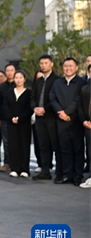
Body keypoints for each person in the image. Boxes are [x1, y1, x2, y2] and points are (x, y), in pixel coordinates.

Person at [49, 57, 86, 185]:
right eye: (65, 66)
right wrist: (60, 112)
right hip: (61, 120)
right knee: (64, 148)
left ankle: (78, 175)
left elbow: (79, 99)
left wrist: (67, 112)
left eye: (71, 66)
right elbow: (52, 98)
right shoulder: (58, 83)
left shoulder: (82, 82)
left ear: (76, 68)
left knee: (78, 148)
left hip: (76, 120)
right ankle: (67, 174)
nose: (68, 68)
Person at [31, 55, 60, 181]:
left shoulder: (57, 80)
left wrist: (45, 109)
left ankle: (60, 171)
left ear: (51, 64)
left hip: (52, 117)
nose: (43, 65)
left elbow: (56, 99)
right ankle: (45, 170)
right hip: (39, 118)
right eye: (41, 63)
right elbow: (32, 97)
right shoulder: (38, 81)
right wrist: (35, 108)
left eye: (46, 63)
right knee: (42, 145)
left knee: (55, 144)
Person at [3, 70, 32, 178]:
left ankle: (25, 169)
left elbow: (30, 108)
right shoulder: (9, 92)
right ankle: (15, 168)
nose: (18, 80)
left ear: (24, 79)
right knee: (13, 145)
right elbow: (5, 107)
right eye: (16, 78)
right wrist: (11, 117)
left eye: (20, 78)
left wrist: (20, 118)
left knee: (24, 145)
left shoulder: (29, 93)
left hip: (24, 123)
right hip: (12, 123)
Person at [0, 64, 16, 172]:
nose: (10, 72)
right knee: (6, 141)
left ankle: (17, 162)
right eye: (7, 70)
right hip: (4, 118)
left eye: (12, 70)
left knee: (17, 141)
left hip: (18, 118)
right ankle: (7, 162)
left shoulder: (19, 85)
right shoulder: (1, 87)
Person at [78, 64, 91, 188]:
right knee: (90, 152)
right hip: (88, 125)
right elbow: (80, 107)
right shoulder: (85, 89)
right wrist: (84, 121)